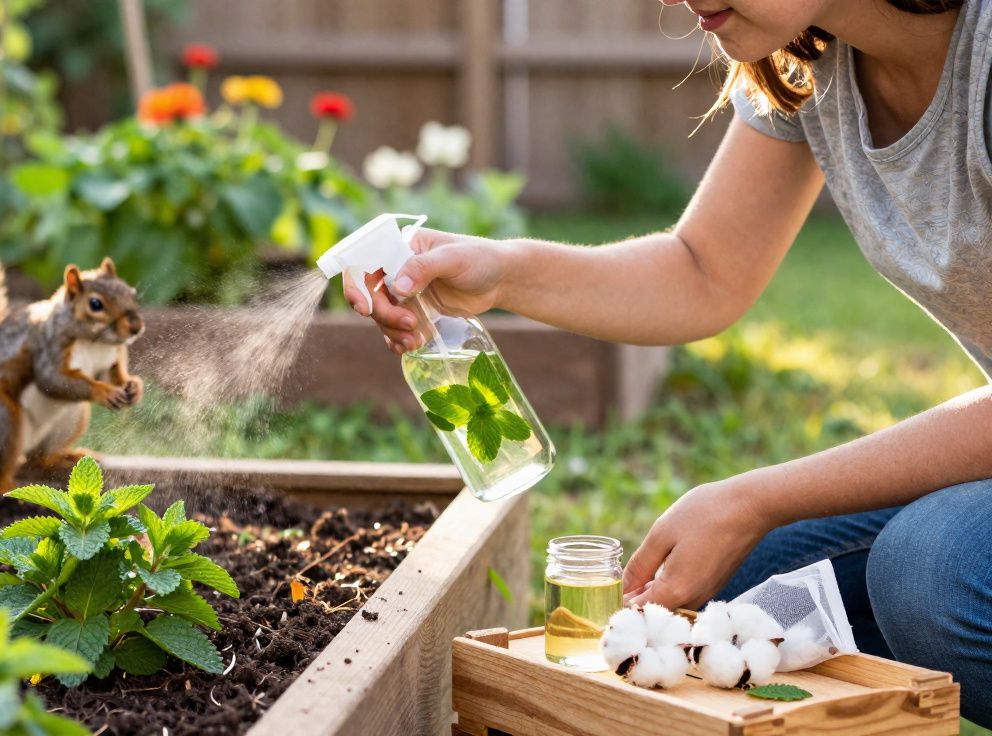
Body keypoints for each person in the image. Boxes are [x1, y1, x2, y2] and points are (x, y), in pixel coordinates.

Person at [345, 0, 991, 724]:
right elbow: (703, 268)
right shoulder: (810, 62)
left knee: (935, 569)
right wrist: (502, 273)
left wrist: (755, 496)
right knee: (747, 587)